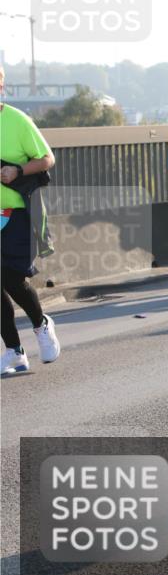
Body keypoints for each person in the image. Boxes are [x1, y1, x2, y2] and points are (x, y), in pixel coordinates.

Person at [0, 66, 60, 375]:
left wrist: (18, 171)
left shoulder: (18, 120)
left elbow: (47, 159)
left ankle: (41, 324)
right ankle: (14, 351)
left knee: (12, 279)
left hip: (18, 213)